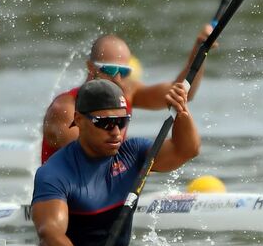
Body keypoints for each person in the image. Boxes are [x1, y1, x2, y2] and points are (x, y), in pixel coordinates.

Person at [31, 78, 200, 246]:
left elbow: (185, 150)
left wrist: (182, 112)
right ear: (79, 120)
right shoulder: (55, 173)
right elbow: (50, 235)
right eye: (105, 123)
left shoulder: (133, 153)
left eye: (122, 122)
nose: (116, 132)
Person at [40, 27, 211, 163]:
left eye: (123, 71)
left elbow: (183, 92)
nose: (117, 79)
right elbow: (90, 160)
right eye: (110, 70)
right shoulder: (64, 110)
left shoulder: (127, 92)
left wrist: (200, 51)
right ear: (91, 67)